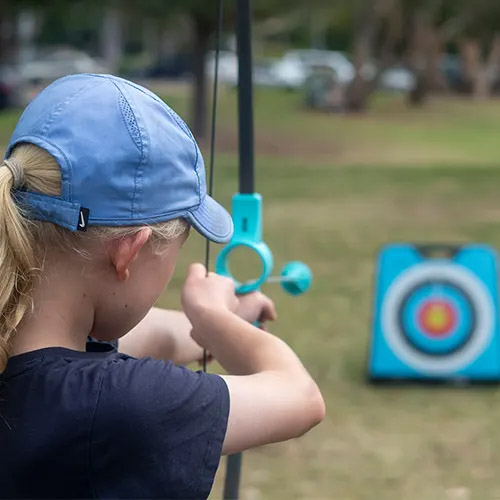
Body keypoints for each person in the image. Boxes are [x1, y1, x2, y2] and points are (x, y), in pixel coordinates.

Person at [0, 73, 325, 499]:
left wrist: (215, 324)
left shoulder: (27, 359)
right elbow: (300, 398)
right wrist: (213, 320)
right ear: (130, 252)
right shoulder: (119, 406)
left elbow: (148, 335)